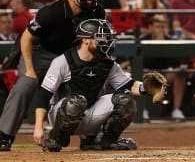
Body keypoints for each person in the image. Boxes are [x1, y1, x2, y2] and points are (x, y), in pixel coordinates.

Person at [0, 0, 105, 151]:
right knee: (26, 84)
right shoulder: (51, 12)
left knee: (90, 82)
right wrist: (30, 70)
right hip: (39, 52)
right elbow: (26, 38)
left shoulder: (97, 11)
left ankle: (89, 137)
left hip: (69, 56)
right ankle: (4, 135)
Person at [32, 19, 144, 151]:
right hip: (62, 114)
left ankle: (102, 140)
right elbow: (44, 96)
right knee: (76, 102)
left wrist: (147, 88)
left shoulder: (107, 63)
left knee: (126, 98)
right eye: (101, 37)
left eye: (107, 37)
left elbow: (129, 85)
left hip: (90, 113)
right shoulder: (62, 61)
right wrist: (38, 126)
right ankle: (57, 138)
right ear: (85, 39)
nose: (106, 41)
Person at [142, 15, 186, 122]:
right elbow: (141, 62)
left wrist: (163, 44)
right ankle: (143, 111)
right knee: (140, 73)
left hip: (165, 74)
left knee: (179, 74)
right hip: (147, 73)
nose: (161, 29)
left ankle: (176, 110)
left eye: (162, 27)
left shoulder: (170, 40)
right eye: (157, 27)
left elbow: (176, 63)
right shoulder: (143, 40)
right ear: (150, 27)